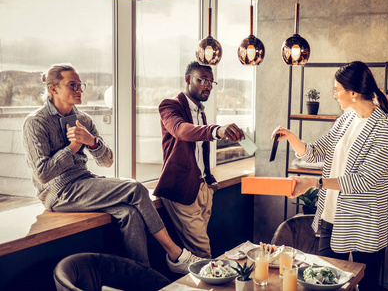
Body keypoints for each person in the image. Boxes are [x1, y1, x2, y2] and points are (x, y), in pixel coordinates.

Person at [22, 63, 201, 274]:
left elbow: (107, 161)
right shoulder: (35, 122)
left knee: (129, 214)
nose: (79, 90)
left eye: (80, 85)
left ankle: (142, 278)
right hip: (58, 192)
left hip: (84, 182)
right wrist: (72, 148)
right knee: (135, 188)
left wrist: (92, 142)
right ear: (54, 89)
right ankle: (175, 253)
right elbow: (42, 174)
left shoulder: (83, 120)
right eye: (73, 85)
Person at [272, 61, 388, 291]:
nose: (335, 95)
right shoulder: (346, 119)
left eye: (337, 90)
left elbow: (365, 180)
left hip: (364, 222)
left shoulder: (386, 127)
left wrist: (314, 183)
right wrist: (291, 137)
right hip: (333, 216)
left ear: (352, 93)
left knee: (366, 286)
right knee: (323, 281)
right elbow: (317, 152)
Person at [154, 61, 244, 258]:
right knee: (202, 251)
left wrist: (209, 181)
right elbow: (181, 130)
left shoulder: (200, 111)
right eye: (202, 80)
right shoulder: (170, 105)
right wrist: (216, 130)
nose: (208, 85)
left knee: (199, 247)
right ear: (188, 80)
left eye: (211, 81)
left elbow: (199, 149)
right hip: (181, 190)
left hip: (203, 188)